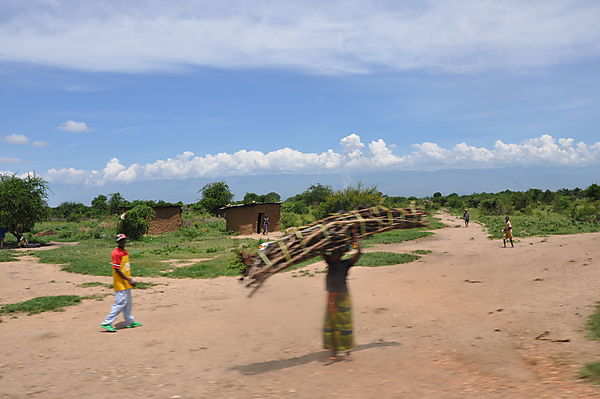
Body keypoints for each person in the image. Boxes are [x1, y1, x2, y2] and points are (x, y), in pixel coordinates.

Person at [321, 227, 361, 363]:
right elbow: (319, 250)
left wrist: (355, 237)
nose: (333, 254)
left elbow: (359, 252)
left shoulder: (346, 264)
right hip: (331, 297)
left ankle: (348, 352)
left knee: (344, 325)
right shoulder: (329, 262)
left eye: (335, 252)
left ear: (341, 253)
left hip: (343, 297)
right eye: (332, 252)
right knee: (332, 325)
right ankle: (333, 353)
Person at [100, 234, 142, 332]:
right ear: (117, 242)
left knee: (128, 303)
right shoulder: (116, 253)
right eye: (120, 240)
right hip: (120, 283)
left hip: (126, 282)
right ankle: (107, 322)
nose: (122, 242)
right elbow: (117, 270)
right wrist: (129, 279)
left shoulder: (124, 251)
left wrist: (128, 279)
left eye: (123, 240)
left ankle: (129, 322)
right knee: (120, 303)